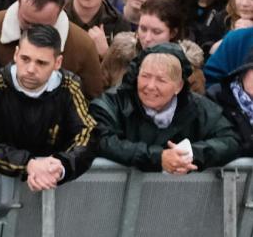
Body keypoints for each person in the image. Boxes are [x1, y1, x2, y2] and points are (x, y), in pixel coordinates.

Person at [0, 24, 96, 189]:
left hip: (53, 190)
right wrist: (28, 164)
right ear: (16, 53)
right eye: (25, 59)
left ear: (57, 62)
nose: (31, 69)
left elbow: (87, 134)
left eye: (41, 63)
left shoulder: (70, 86)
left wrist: (60, 166)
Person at [92, 44, 240, 173]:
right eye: (145, 76)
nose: (150, 86)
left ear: (179, 86)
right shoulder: (112, 103)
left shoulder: (199, 107)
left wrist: (190, 153)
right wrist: (158, 157)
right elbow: (101, 140)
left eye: (161, 80)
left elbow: (230, 140)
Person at [0, 0, 105, 100]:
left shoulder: (82, 45)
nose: (33, 30)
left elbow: (93, 100)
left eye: (42, 26)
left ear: (59, 12)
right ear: (19, 0)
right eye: (27, 22)